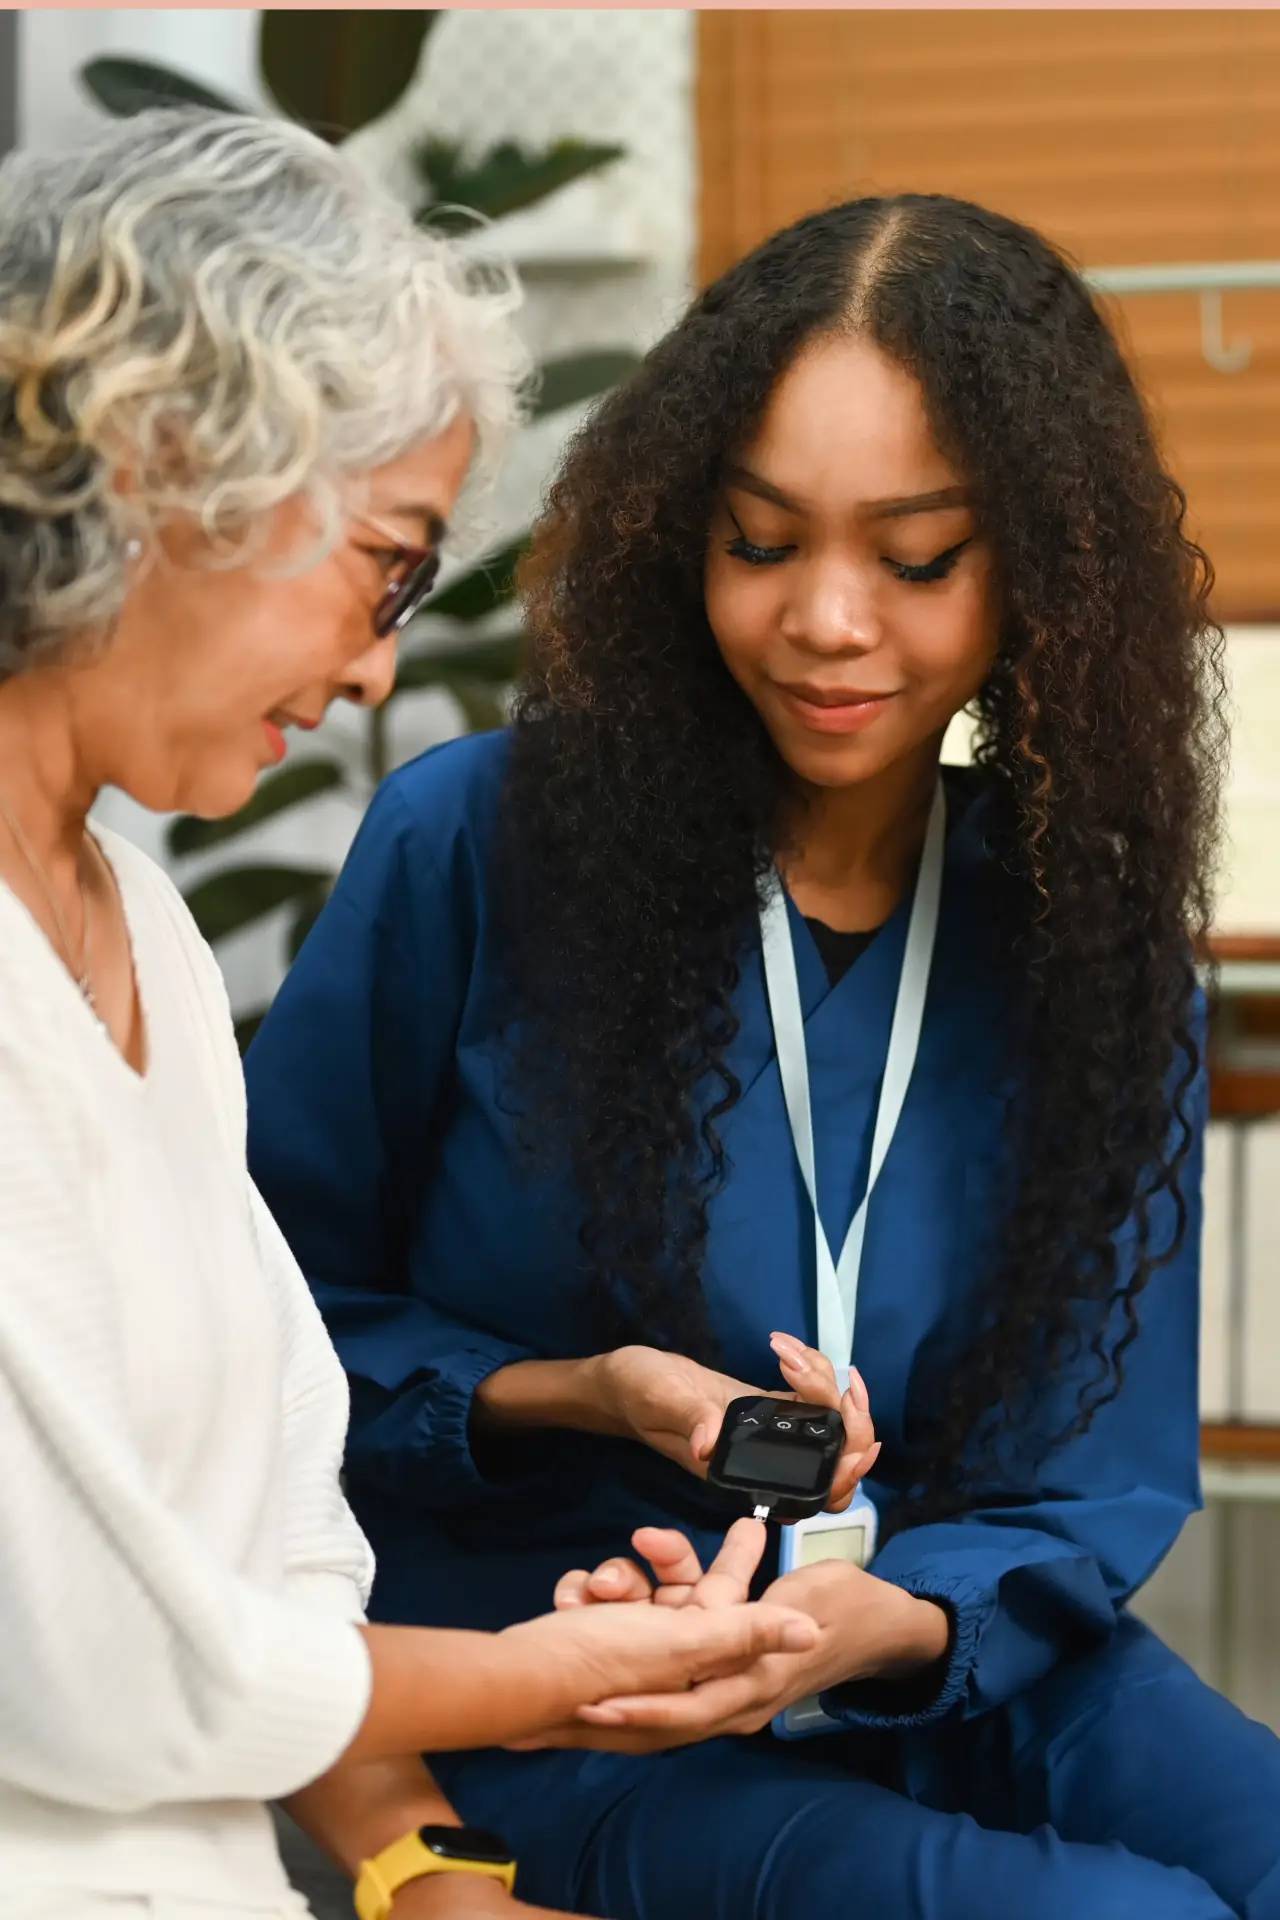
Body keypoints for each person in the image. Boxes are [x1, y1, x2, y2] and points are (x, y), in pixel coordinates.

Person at [245, 193, 1280, 1920]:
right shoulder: (476, 851)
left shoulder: (1090, 951)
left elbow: (1082, 1475)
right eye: (761, 542)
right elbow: (261, 1336)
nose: (828, 620)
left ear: (1043, 569)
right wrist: (581, 1390)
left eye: (920, 556)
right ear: (681, 538)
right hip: (570, 1681)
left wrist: (885, 1624)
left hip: (939, 1656)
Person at [0, 110, 820, 1920]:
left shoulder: (138, 926)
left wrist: (412, 1863)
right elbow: (122, 1672)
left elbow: (276, 1519)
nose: (383, 664)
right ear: (161, 462)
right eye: (381, 565)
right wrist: (553, 1673)